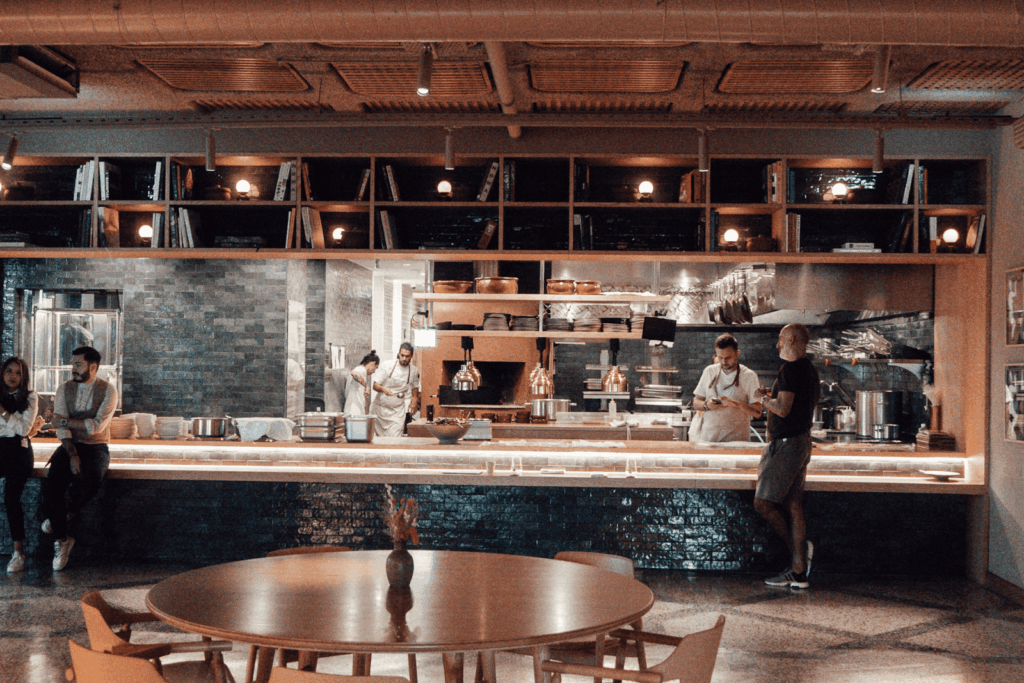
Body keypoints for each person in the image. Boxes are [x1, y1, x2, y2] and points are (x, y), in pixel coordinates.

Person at [754, 324, 820, 589]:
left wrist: (762, 398)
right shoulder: (810, 369)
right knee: (793, 504)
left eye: (781, 340)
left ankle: (799, 554)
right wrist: (773, 397)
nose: (778, 345)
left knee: (763, 504)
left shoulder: (791, 369)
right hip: (801, 442)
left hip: (787, 445)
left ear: (792, 339)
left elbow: (782, 409)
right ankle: (798, 571)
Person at [40, 346, 118, 571]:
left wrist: (63, 422)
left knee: (92, 479)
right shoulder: (63, 389)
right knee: (52, 481)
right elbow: (61, 428)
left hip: (96, 447)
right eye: (72, 364)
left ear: (93, 366)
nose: (72, 369)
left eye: (78, 364)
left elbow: (96, 427)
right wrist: (72, 452)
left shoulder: (109, 391)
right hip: (70, 445)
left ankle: (60, 518)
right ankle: (63, 542)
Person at [1, 357, 39, 573]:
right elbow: (17, 426)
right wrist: (12, 422)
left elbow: (24, 431)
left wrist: (3, 414)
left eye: (17, 372)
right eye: (9, 371)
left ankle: (18, 553)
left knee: (11, 499)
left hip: (19, 452)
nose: (12, 376)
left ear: (23, 377)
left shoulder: (31, 397)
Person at [691, 333, 762, 442]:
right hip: (708, 439)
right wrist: (707, 405)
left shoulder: (749, 376)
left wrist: (737, 404)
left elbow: (757, 412)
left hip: (737, 441)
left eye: (728, 358)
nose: (724, 362)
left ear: (737, 354)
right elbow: (696, 402)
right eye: (720, 357)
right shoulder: (709, 371)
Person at [371, 343, 420, 437]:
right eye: (402, 355)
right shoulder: (387, 365)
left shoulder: (413, 371)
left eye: (407, 356)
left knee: (394, 439)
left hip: (397, 412)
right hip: (380, 410)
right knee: (378, 441)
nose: (404, 358)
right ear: (398, 354)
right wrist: (382, 388)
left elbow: (415, 388)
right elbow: (375, 385)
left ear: (411, 356)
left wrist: (414, 401)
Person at [346, 350, 380, 416]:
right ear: (373, 363)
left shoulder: (364, 373)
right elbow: (354, 373)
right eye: (375, 368)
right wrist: (366, 386)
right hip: (353, 412)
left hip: (356, 412)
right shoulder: (361, 369)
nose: (374, 371)